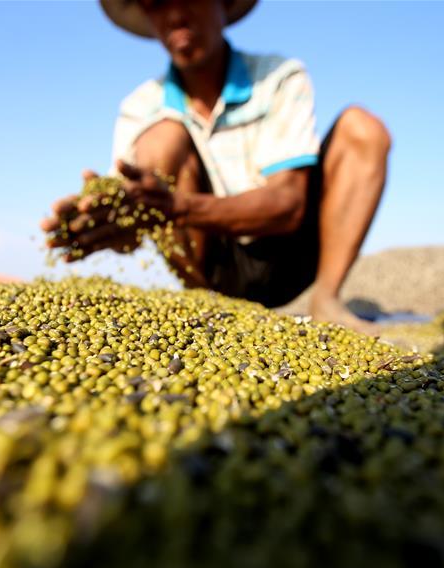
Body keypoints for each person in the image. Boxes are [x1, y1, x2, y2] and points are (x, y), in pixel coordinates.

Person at [42, 0, 392, 334]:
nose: (175, 14)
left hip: (293, 252)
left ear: (224, 4)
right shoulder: (140, 106)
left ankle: (327, 299)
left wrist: (179, 207)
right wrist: (107, 220)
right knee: (162, 137)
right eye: (157, 2)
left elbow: (289, 204)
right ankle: (207, 305)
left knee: (363, 129)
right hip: (211, 265)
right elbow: (136, 216)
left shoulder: (277, 76)